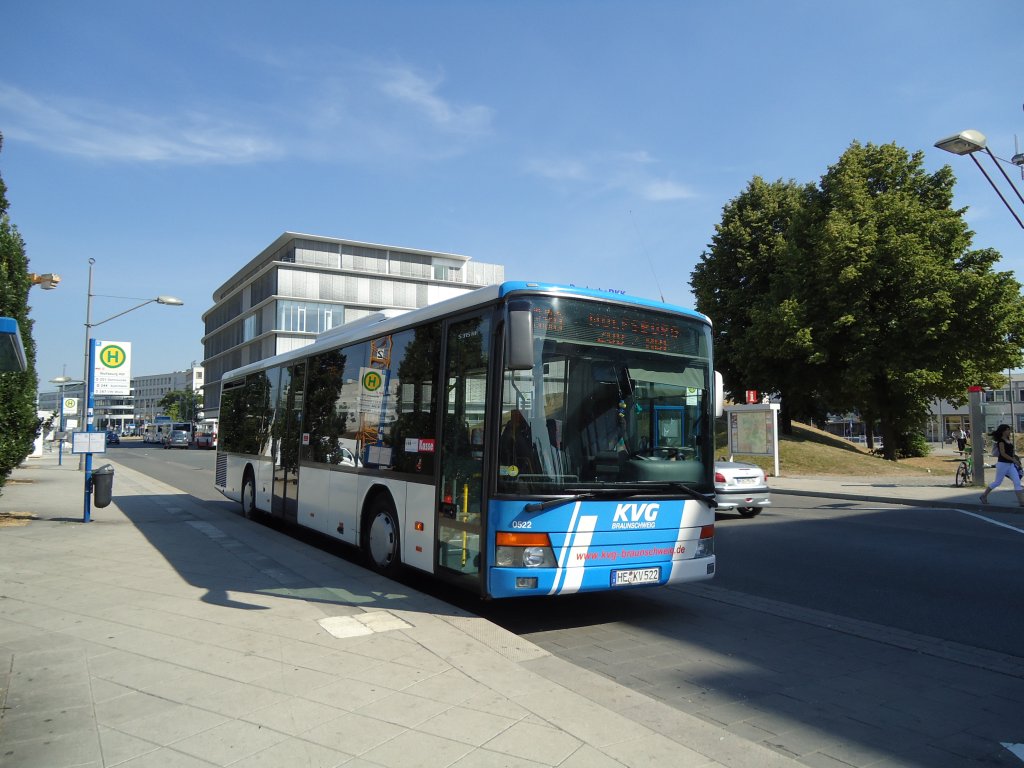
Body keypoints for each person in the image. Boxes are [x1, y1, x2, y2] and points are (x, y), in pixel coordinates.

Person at [979, 424, 1024, 506]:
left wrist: (1015, 458)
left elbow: (1011, 452)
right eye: (1008, 430)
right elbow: (1003, 454)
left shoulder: (1008, 439)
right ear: (1003, 431)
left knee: (1017, 482)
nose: (1009, 431)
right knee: (997, 482)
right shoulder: (1001, 441)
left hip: (1010, 465)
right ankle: (983, 495)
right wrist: (1013, 460)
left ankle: (1021, 502)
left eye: (1009, 429)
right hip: (1002, 464)